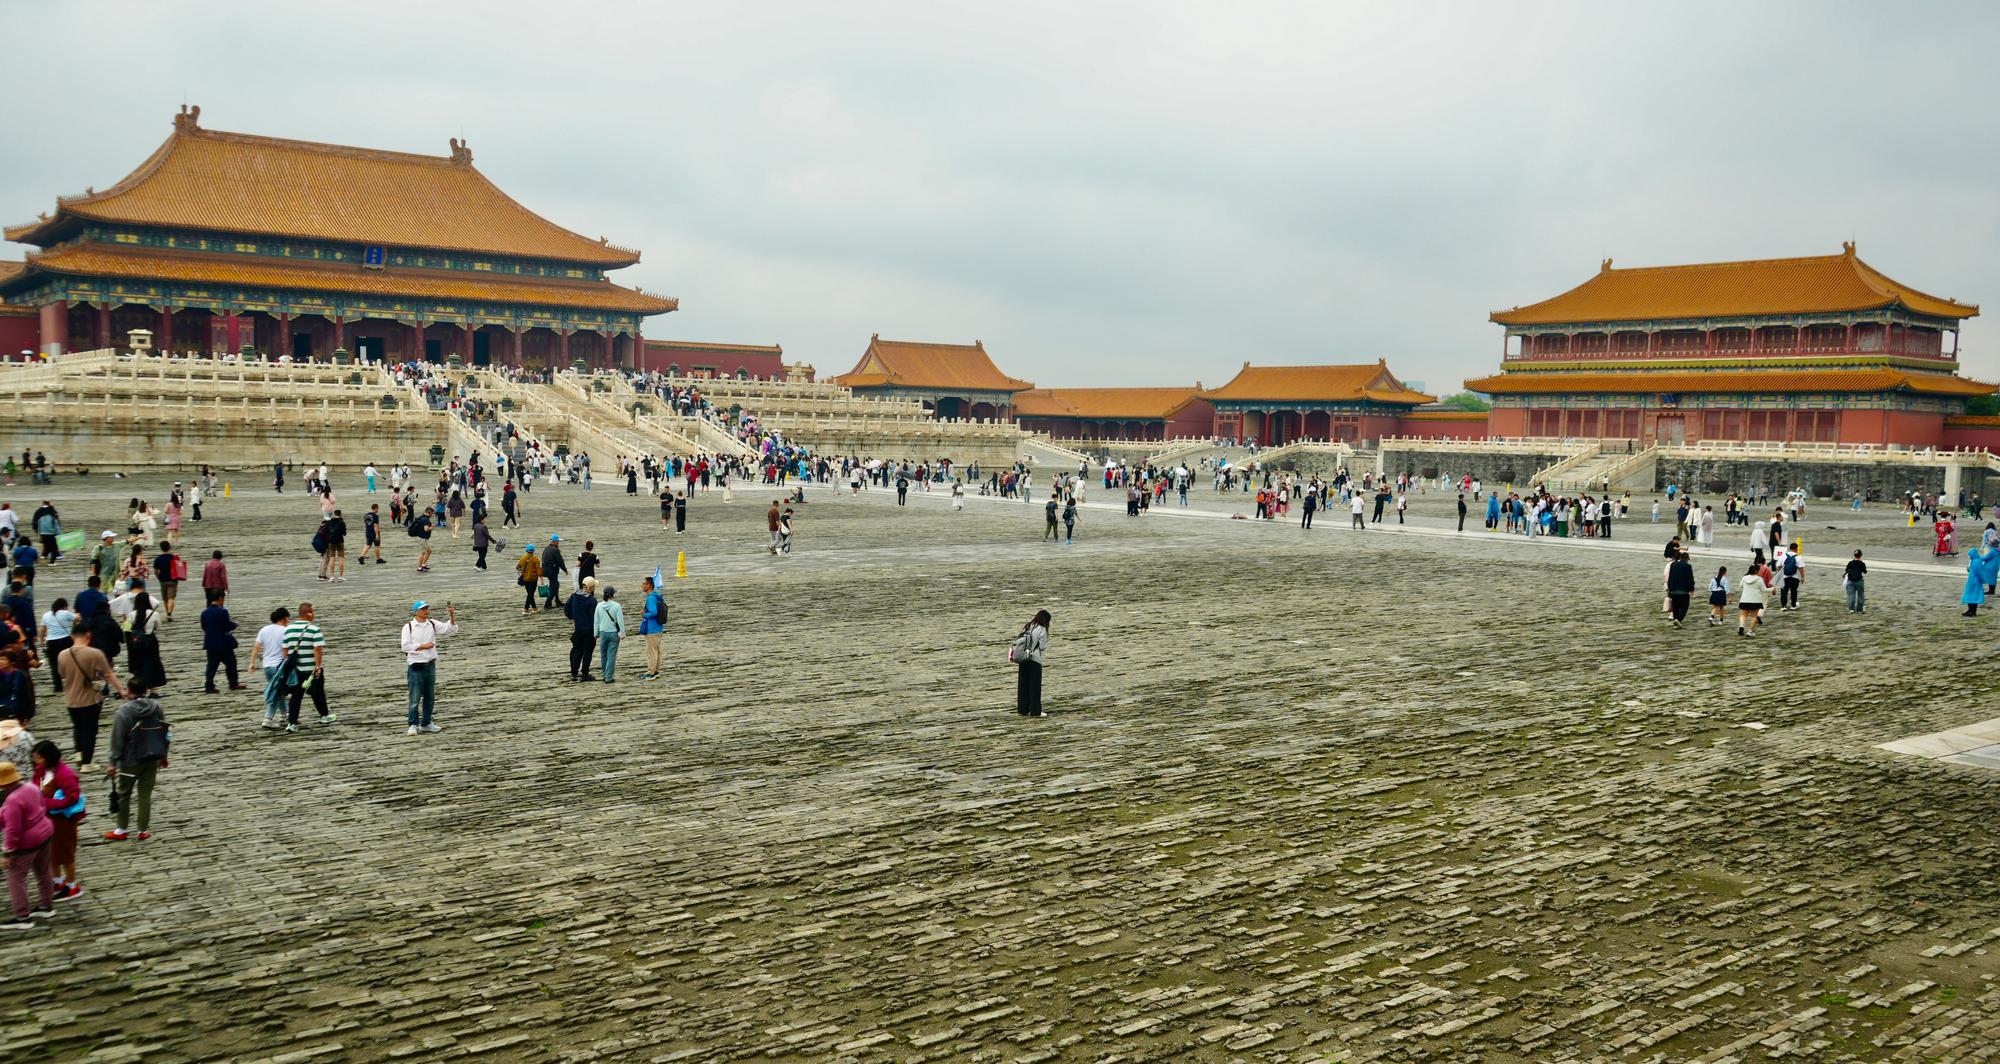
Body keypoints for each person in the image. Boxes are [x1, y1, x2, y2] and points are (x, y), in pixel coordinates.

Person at [102, 681, 169, 842]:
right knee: (145, 795)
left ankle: (121, 829)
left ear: (129, 691)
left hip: (129, 760)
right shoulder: (156, 707)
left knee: (124, 794)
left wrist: (112, 763)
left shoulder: (123, 712)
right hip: (152, 757)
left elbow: (116, 741)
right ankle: (143, 830)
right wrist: (164, 755)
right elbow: (164, 732)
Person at [57, 628, 125, 765]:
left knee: (78, 727)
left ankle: (78, 754)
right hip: (90, 698)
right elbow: (108, 674)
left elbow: (62, 674)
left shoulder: (62, 654)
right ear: (88, 635)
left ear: (72, 636)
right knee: (90, 730)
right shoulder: (95, 653)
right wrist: (121, 690)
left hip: (71, 698)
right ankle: (86, 763)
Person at [0, 760, 55, 929]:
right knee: (44, 871)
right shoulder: (31, 787)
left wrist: (7, 854)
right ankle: (46, 906)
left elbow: (13, 831)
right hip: (45, 833)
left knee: (16, 878)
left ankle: (23, 917)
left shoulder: (13, 800)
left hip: (27, 843)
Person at [31, 740, 83, 901]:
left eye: (38, 757)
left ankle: (72, 886)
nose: (36, 761)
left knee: (66, 853)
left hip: (63, 821)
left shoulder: (65, 774)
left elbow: (72, 797)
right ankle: (57, 882)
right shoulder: (40, 770)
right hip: (46, 819)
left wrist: (46, 802)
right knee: (51, 852)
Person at [400, 601, 459, 735]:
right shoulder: (408, 627)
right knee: (415, 697)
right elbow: (405, 646)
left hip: (430, 664)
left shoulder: (431, 623)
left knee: (429, 696)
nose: (426, 611)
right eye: (423, 609)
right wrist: (422, 646)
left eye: (426, 609)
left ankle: (426, 723)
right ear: (416, 612)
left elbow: (450, 629)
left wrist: (451, 616)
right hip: (416, 665)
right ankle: (413, 724)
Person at [280, 602, 330, 733]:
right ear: (308, 614)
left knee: (296, 696)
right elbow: (318, 648)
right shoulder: (314, 629)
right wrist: (318, 666)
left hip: (296, 669)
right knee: (318, 693)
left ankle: (292, 723)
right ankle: (324, 715)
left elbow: (285, 651)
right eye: (312, 612)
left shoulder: (288, 629)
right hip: (311, 669)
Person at [198, 589, 242, 693]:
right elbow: (226, 626)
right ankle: (233, 683)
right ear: (220, 598)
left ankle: (209, 685)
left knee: (211, 666)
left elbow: (204, 627)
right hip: (223, 643)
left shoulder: (204, 612)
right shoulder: (223, 611)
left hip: (210, 643)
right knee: (231, 663)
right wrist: (235, 624)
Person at [254, 607, 291, 729]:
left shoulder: (264, 629)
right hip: (279, 666)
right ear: (284, 618)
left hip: (267, 666)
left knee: (279, 691)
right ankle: (268, 718)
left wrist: (251, 662)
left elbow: (257, 646)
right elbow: (288, 649)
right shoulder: (285, 631)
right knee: (276, 692)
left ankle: (285, 714)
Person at [1010, 610, 1050, 717]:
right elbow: (1042, 647)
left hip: (1023, 659)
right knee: (1034, 687)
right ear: (1045, 620)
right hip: (1034, 660)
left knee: (1023, 686)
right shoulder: (1042, 629)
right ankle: (1035, 711)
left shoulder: (1027, 626)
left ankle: (1023, 710)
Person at [565, 578, 599, 682]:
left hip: (578, 628)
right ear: (591, 587)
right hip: (589, 629)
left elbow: (567, 609)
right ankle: (585, 673)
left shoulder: (574, 596)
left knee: (576, 650)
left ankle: (574, 673)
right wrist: (597, 631)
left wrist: (573, 617)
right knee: (587, 652)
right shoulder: (592, 600)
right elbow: (595, 617)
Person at [37, 598, 72, 696]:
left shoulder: (46, 615)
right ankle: (71, 683)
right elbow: (78, 618)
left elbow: (42, 630)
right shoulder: (66, 613)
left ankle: (58, 686)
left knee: (54, 665)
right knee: (70, 663)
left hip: (51, 642)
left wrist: (41, 641)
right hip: (66, 640)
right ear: (64, 606)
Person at [595, 586, 625, 683]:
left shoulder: (599, 605)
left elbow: (596, 621)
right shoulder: (617, 606)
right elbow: (620, 621)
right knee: (611, 655)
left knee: (603, 655)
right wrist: (622, 633)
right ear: (612, 594)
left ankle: (604, 674)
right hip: (613, 633)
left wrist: (595, 633)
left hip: (603, 632)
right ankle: (608, 676)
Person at [639, 576, 666, 681]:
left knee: (651, 651)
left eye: (644, 583)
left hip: (652, 628)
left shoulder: (650, 598)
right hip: (658, 627)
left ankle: (651, 672)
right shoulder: (656, 596)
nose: (642, 585)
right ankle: (656, 671)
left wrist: (644, 614)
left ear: (649, 585)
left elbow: (653, 612)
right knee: (657, 651)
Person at [1737, 558, 1769, 636]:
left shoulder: (1744, 578)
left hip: (1744, 600)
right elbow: (1764, 590)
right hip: (1755, 600)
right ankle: (1750, 631)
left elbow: (1740, 586)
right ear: (1756, 571)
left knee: (1743, 615)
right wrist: (1773, 589)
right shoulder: (1759, 579)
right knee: (1754, 617)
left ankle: (1741, 625)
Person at [1664, 551, 1695, 627]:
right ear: (1687, 559)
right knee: (1685, 606)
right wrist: (1692, 589)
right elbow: (1690, 579)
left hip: (1673, 591)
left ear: (1681, 558)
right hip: (1684, 591)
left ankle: (1675, 623)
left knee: (1675, 607)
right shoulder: (1688, 566)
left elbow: (1670, 577)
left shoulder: (1673, 565)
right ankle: (1678, 620)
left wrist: (1670, 589)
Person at [540, 535, 566, 609]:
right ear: (554, 541)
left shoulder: (546, 549)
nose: (558, 543)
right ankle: (547, 603)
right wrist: (565, 570)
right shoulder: (555, 550)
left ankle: (557, 601)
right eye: (558, 541)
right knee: (554, 586)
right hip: (552, 571)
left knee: (554, 584)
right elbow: (560, 561)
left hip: (545, 570)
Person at [516, 546, 542, 615]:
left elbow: (518, 567)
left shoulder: (522, 558)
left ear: (526, 550)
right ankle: (525, 609)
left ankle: (534, 608)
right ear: (533, 551)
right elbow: (538, 570)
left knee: (530, 594)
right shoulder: (536, 559)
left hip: (525, 579)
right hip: (533, 579)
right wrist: (541, 578)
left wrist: (523, 571)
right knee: (530, 594)